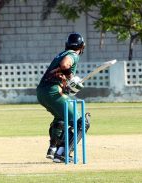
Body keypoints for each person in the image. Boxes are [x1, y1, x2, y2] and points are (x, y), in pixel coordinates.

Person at [36, 33, 90, 163]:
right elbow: (65, 65)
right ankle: (63, 154)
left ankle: (54, 149)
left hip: (42, 92)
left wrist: (67, 86)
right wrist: (71, 77)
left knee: (61, 118)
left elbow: (59, 74)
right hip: (53, 92)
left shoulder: (62, 53)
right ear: (82, 46)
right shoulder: (72, 54)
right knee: (82, 123)